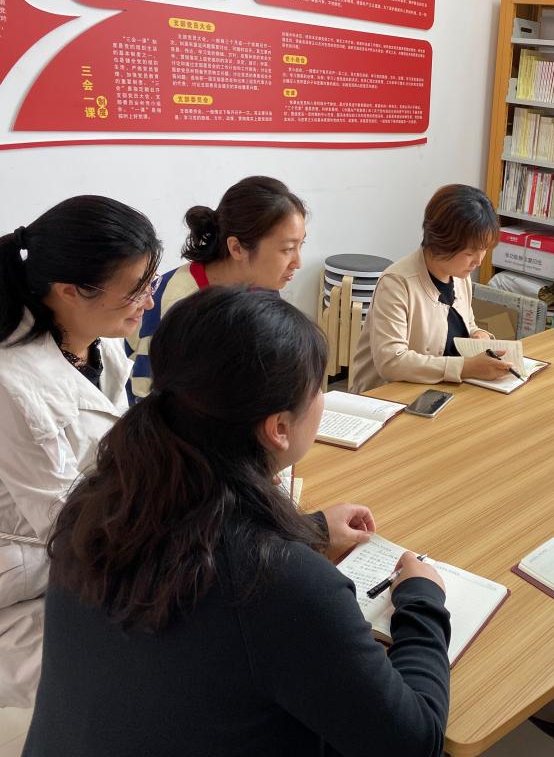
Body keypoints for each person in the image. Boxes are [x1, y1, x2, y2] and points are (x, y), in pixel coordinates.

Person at [25, 288, 451, 756]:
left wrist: (308, 530)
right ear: (279, 428)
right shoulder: (281, 585)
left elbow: (203, 567)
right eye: (318, 389)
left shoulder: (99, 501)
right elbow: (413, 743)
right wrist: (422, 599)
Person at [0, 196, 162, 707]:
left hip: (81, 550)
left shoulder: (95, 340)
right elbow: (70, 525)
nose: (149, 302)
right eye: (135, 290)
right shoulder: (12, 383)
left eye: (151, 283)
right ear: (69, 291)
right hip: (24, 581)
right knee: (141, 686)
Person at [126, 175, 307, 402]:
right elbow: (145, 397)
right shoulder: (177, 303)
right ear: (237, 248)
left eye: (301, 245)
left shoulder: (261, 286)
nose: (298, 262)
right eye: (287, 249)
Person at [349, 184, 511, 394]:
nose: (479, 261)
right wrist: (465, 367)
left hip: (439, 390)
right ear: (442, 242)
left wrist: (478, 334)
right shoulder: (397, 283)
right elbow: (391, 362)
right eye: (470, 253)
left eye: (484, 250)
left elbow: (465, 323)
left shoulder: (460, 276)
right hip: (388, 397)